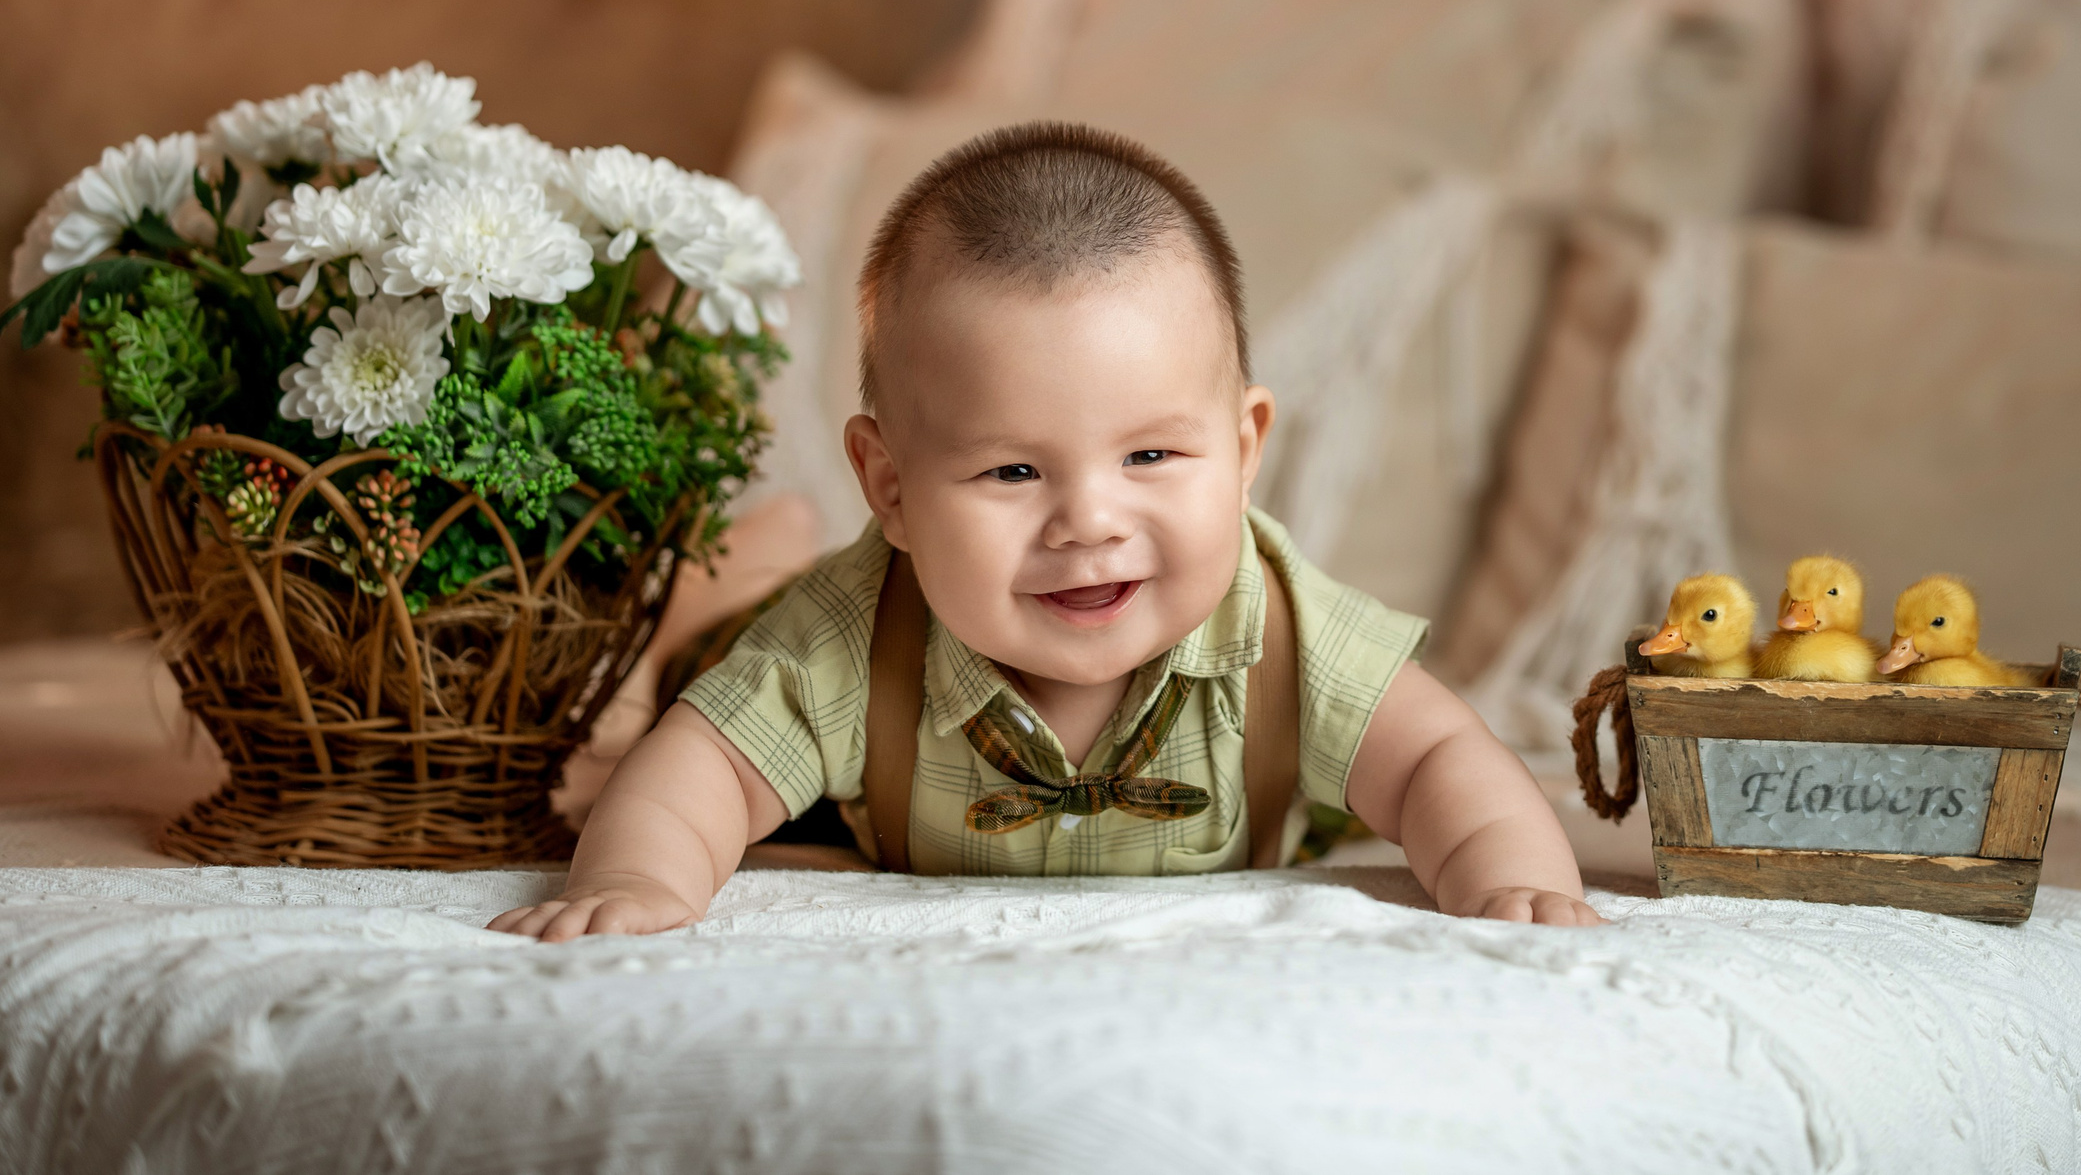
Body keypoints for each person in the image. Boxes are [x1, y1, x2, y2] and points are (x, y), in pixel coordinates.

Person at [491, 122, 1598, 938]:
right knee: (662, 698)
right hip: (762, 649)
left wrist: (1510, 887)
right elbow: (707, 770)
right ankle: (724, 571)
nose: (1090, 523)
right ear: (889, 486)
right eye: (1014, 470)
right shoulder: (848, 633)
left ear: (1247, 445)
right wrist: (637, 888)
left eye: (1152, 457)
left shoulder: (1287, 635)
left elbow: (1438, 760)